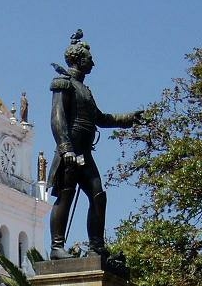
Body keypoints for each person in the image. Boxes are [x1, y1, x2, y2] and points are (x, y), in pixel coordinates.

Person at [47, 30, 143, 262]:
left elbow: (100, 118)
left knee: (98, 195)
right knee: (66, 195)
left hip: (85, 152)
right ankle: (57, 247)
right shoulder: (64, 83)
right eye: (90, 59)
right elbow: (57, 118)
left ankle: (96, 247)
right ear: (79, 59)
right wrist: (66, 148)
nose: (93, 62)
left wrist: (129, 119)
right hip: (70, 152)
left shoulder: (85, 90)